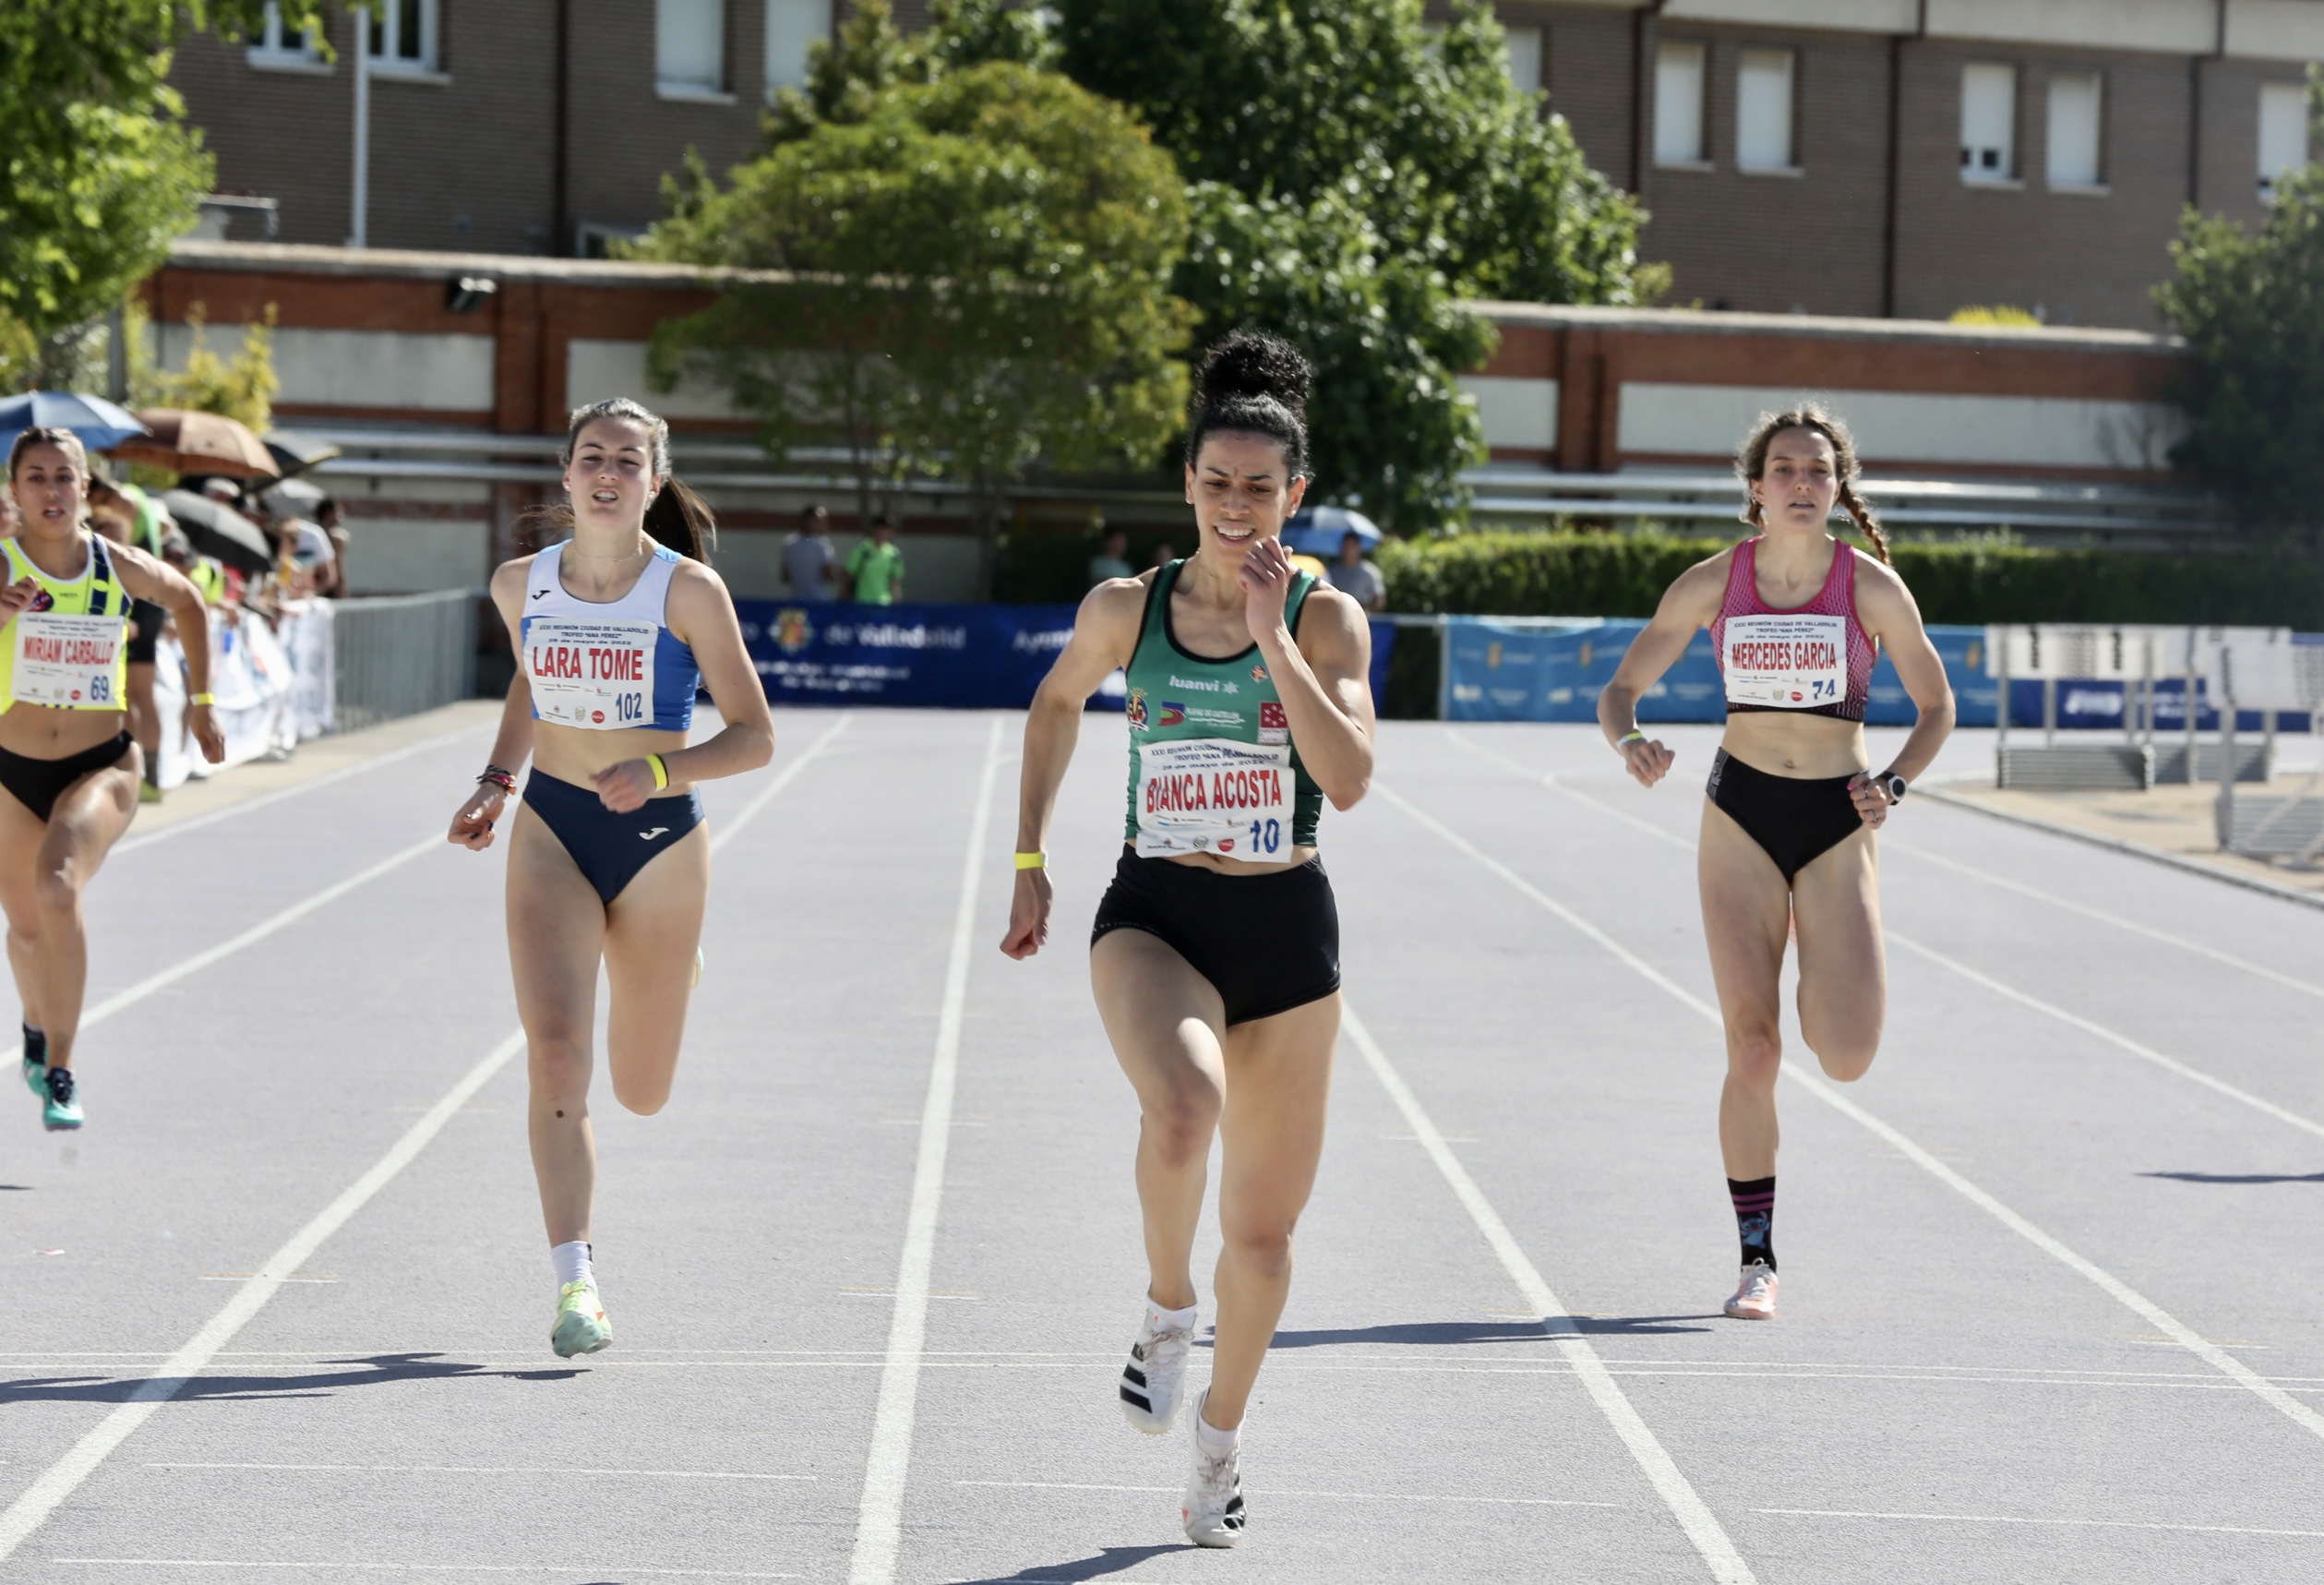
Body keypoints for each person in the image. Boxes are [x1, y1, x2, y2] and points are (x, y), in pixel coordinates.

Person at [1000, 332, 1374, 1549]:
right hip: (1156, 910)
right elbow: (1055, 701)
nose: (1233, 504)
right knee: (1181, 1109)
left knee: (1261, 1240)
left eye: (1257, 487)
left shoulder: (1327, 621)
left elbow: (1352, 778)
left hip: (1286, 932)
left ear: (1293, 497)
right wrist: (1028, 858)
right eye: (1214, 482)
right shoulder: (1127, 607)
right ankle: (1166, 1310)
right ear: (1187, 485)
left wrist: (1272, 637)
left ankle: (1215, 1447)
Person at [1596, 404, 1954, 1322]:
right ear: (1755, 490)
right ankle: (1756, 1256)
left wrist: (1896, 785)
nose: (1801, 483)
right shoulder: (1715, 583)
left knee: (1845, 1051)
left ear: (1837, 491)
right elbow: (1620, 687)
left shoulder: (1869, 588)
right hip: (1741, 815)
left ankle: (1820, 972)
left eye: (1817, 471)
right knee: (1752, 1050)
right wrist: (1631, 738)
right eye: (1784, 469)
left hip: (1834, 820)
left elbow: (1936, 708)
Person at [447, 397, 774, 1359]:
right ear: (565, 473)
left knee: (641, 1090)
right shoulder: (519, 584)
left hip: (661, 840)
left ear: (653, 483)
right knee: (556, 1058)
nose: (607, 471)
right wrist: (498, 780)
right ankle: (575, 1280)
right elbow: (526, 681)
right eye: (592, 454)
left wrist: (661, 770)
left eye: (627, 461)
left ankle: (669, 964)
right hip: (553, 827)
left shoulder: (688, 592)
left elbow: (755, 737)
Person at [5, 429, 224, 1130]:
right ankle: (36, 1029)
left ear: (85, 490)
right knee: (28, 930)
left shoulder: (116, 565)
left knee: (57, 887)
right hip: (10, 771)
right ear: (13, 492)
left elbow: (190, 600)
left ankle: (62, 1067)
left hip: (100, 763)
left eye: (63, 477)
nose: (50, 490)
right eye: (34, 477)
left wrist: (202, 703)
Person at [84, 474, 171, 799]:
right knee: (140, 696)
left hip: (133, 599)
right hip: (147, 599)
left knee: (126, 697)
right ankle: (150, 776)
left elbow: (120, 541)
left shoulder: (122, 502)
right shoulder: (139, 497)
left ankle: (135, 775)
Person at [782, 504, 837, 602]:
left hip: (796, 600)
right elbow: (829, 575)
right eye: (821, 520)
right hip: (818, 601)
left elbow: (785, 577)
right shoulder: (823, 545)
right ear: (811, 521)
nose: (824, 523)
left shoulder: (789, 543)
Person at [844, 514, 904, 605]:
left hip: (884, 604)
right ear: (873, 529)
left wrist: (897, 605)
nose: (881, 531)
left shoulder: (893, 554)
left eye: (885, 528)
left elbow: (895, 581)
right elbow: (848, 576)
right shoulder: (862, 550)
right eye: (879, 528)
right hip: (862, 603)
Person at [1320, 529, 1384, 612]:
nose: (1348, 550)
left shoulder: (1369, 572)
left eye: (1351, 546)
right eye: (1345, 546)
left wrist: (1360, 607)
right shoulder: (1333, 571)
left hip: (1361, 617)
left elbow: (1379, 601)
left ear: (1359, 548)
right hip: (1336, 616)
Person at [1087, 523, 1134, 587]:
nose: (1121, 544)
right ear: (1107, 541)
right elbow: (1105, 584)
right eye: (1118, 540)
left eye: (1123, 540)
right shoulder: (1098, 563)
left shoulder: (1126, 567)